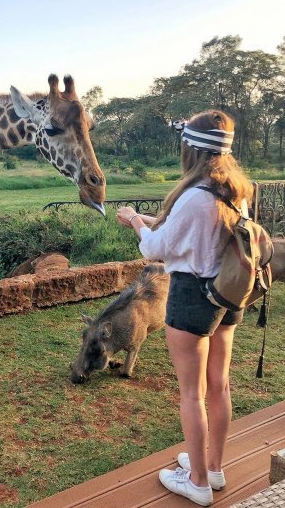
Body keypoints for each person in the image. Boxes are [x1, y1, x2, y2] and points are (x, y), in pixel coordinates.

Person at [116, 110, 252, 507]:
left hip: (193, 296)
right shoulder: (236, 189)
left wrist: (136, 225)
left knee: (192, 394)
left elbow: (156, 249)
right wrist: (143, 220)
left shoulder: (193, 195)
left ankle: (196, 483)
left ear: (191, 149)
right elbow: (188, 232)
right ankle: (212, 467)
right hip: (227, 295)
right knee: (219, 385)